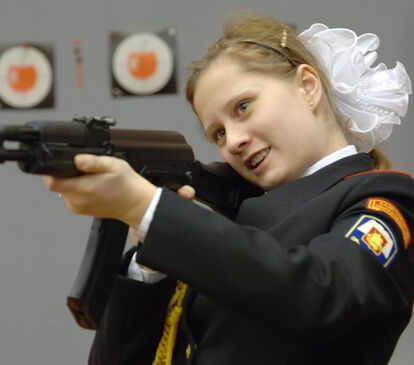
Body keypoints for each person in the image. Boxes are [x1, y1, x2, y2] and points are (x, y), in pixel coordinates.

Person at [43, 13, 414, 365]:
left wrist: (151, 211)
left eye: (243, 107)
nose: (233, 141)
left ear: (307, 86)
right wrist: (149, 263)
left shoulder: (384, 198)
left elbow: (319, 294)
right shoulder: (232, 229)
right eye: (217, 133)